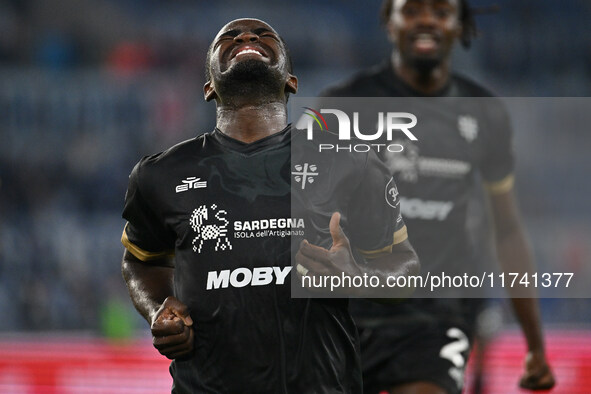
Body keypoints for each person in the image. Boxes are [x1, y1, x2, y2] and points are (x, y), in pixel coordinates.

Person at [120, 18, 419, 393]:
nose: (246, 36)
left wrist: (359, 275)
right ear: (209, 87)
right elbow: (139, 260)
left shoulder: (352, 164)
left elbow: (406, 268)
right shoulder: (159, 175)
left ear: (291, 81)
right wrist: (160, 307)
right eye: (228, 37)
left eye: (264, 36)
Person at [321, 0, 556, 393]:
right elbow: (303, 220)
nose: (426, 19)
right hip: (347, 313)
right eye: (411, 10)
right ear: (389, 22)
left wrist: (535, 345)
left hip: (436, 316)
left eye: (441, 11)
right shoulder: (342, 105)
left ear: (459, 25)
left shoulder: (484, 113)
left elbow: (508, 231)